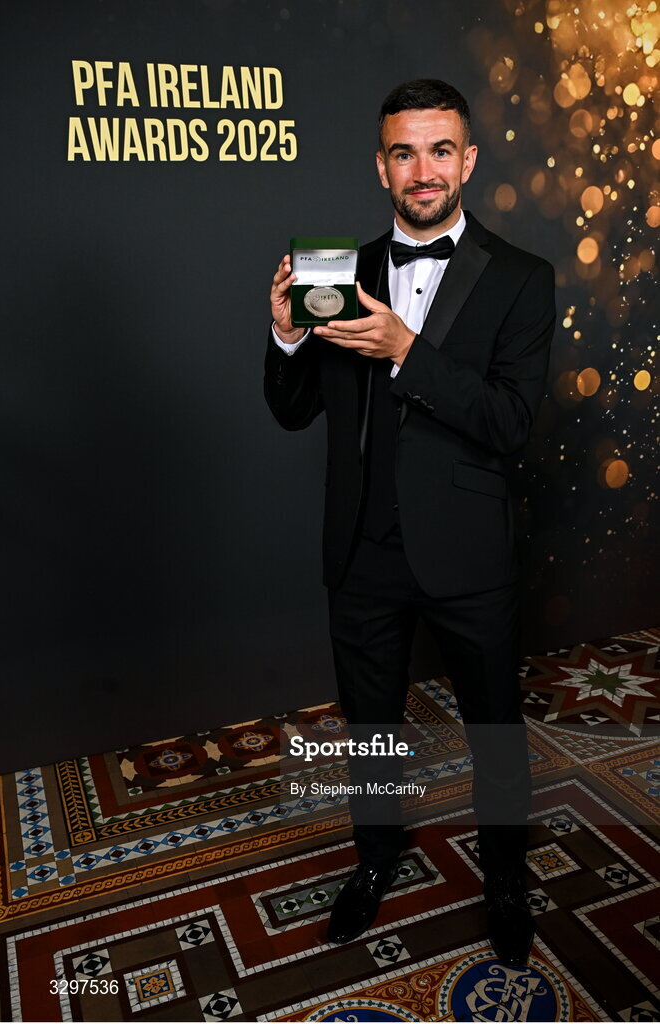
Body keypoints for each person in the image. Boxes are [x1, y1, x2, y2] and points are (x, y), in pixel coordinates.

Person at [264, 79, 555, 966]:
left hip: (467, 553)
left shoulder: (521, 279)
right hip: (361, 550)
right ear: (379, 165)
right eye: (403, 152)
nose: (421, 170)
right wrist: (283, 336)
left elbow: (509, 422)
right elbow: (291, 410)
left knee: (494, 729)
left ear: (465, 160)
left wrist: (406, 352)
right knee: (371, 729)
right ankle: (374, 856)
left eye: (438, 150)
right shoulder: (336, 273)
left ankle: (504, 872)